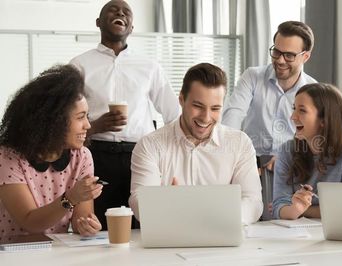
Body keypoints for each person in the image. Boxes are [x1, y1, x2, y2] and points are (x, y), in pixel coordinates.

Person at [70, 0, 180, 228]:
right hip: (95, 157)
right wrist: (95, 125)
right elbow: (66, 118)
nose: (120, 12)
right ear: (99, 22)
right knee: (98, 229)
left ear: (131, 28)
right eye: (113, 9)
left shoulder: (150, 66)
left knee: (147, 227)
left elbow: (173, 115)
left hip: (140, 157)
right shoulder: (79, 65)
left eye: (126, 12)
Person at [129, 63, 263, 225]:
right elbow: (138, 202)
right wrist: (164, 203)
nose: (206, 118)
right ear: (181, 100)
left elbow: (253, 201)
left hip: (222, 236)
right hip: (168, 240)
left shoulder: (240, 143)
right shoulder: (150, 145)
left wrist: (218, 217)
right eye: (198, 106)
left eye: (215, 108)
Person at [0, 64, 103, 240]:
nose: (88, 125)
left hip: (57, 253)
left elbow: (81, 218)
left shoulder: (82, 156)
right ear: (53, 121)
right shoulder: (8, 157)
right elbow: (29, 222)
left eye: (87, 116)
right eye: (80, 117)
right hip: (13, 254)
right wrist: (70, 198)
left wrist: (86, 225)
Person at [222, 21, 316, 171]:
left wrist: (291, 157)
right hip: (249, 162)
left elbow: (314, 136)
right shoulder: (252, 76)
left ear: (305, 57)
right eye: (277, 52)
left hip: (292, 165)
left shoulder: (313, 90)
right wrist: (229, 155)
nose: (280, 60)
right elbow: (233, 114)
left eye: (289, 55)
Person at [272, 83, 342, 220]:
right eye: (294, 109)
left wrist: (303, 210)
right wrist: (296, 208)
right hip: (296, 235)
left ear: (324, 119)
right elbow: (278, 208)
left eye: (302, 110)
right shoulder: (287, 151)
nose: (293, 117)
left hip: (338, 233)